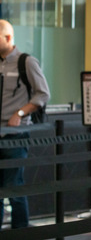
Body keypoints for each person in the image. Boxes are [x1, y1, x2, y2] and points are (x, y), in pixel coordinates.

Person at [0, 19, 51, 229]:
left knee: (14, 188)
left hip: (15, 136)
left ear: (8, 37)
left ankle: (21, 233)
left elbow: (43, 93)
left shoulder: (26, 62)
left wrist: (20, 113)